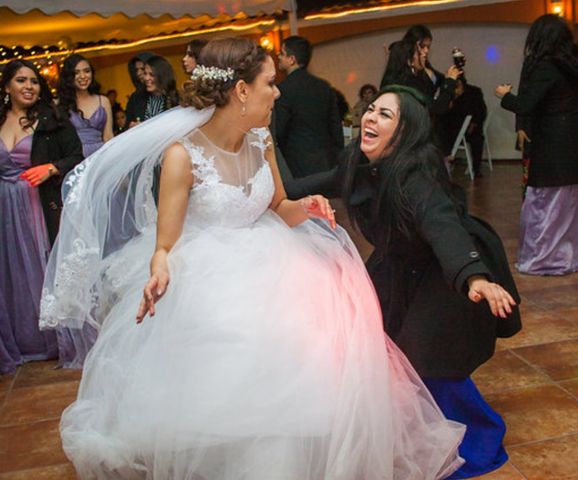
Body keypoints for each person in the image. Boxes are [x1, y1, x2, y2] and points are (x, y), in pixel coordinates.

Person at [40, 38, 465, 479]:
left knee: (314, 349)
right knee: (238, 370)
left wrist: (308, 207)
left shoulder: (261, 139)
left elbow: (278, 205)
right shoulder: (182, 156)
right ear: (242, 91)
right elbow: (166, 242)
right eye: (269, 83)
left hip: (273, 257)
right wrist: (160, 266)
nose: (277, 92)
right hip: (210, 275)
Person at [284, 85, 522, 479]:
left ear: (405, 132)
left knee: (430, 356)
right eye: (371, 110)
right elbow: (316, 182)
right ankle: (410, 428)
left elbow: (442, 226)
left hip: (444, 269)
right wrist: (263, 195)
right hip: (399, 263)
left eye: (385, 115)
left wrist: (473, 276)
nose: (370, 119)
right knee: (374, 342)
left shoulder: (417, 175)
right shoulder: (358, 163)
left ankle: (477, 436)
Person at [496, 14, 578, 275]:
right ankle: (577, 251)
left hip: (554, 143)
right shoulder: (572, 67)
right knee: (577, 202)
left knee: (546, 203)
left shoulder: (544, 67)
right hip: (576, 139)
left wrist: (505, 96)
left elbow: (526, 104)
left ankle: (546, 257)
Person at [0, 59, 83, 374]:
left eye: (34, 81)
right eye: (21, 80)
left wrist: (51, 168)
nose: (29, 87)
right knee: (9, 275)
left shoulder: (53, 120)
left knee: (40, 268)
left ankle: (47, 341)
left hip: (37, 207)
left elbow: (76, 155)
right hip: (4, 208)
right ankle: (18, 341)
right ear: (7, 86)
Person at [380, 25, 461, 148]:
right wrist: (449, 83)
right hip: (413, 143)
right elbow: (436, 107)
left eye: (427, 48)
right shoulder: (407, 84)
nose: (425, 53)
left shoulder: (406, 78)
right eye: (421, 49)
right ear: (408, 60)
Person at [275, 35, 344, 177]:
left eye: (282, 53)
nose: (278, 57)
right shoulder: (324, 86)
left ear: (292, 59)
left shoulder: (283, 89)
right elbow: (335, 127)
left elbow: (279, 130)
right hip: (326, 160)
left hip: (296, 163)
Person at [58, 54, 113, 157]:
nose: (83, 76)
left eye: (87, 71)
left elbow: (108, 136)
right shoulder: (60, 103)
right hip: (73, 159)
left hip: (100, 157)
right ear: (68, 76)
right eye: (76, 73)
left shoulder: (103, 101)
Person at [441, 78, 487, 177]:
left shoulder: (474, 92)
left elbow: (482, 111)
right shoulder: (447, 93)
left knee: (477, 140)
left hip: (471, 128)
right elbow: (444, 115)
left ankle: (476, 168)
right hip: (452, 128)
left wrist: (474, 123)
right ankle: (446, 164)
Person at [141, 55, 179, 122]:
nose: (146, 78)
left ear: (162, 76)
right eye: (145, 73)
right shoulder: (140, 99)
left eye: (151, 74)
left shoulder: (176, 99)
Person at [124, 51, 154, 128]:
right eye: (136, 70)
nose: (138, 73)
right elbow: (128, 124)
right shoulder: (134, 98)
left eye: (142, 69)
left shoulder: (167, 94)